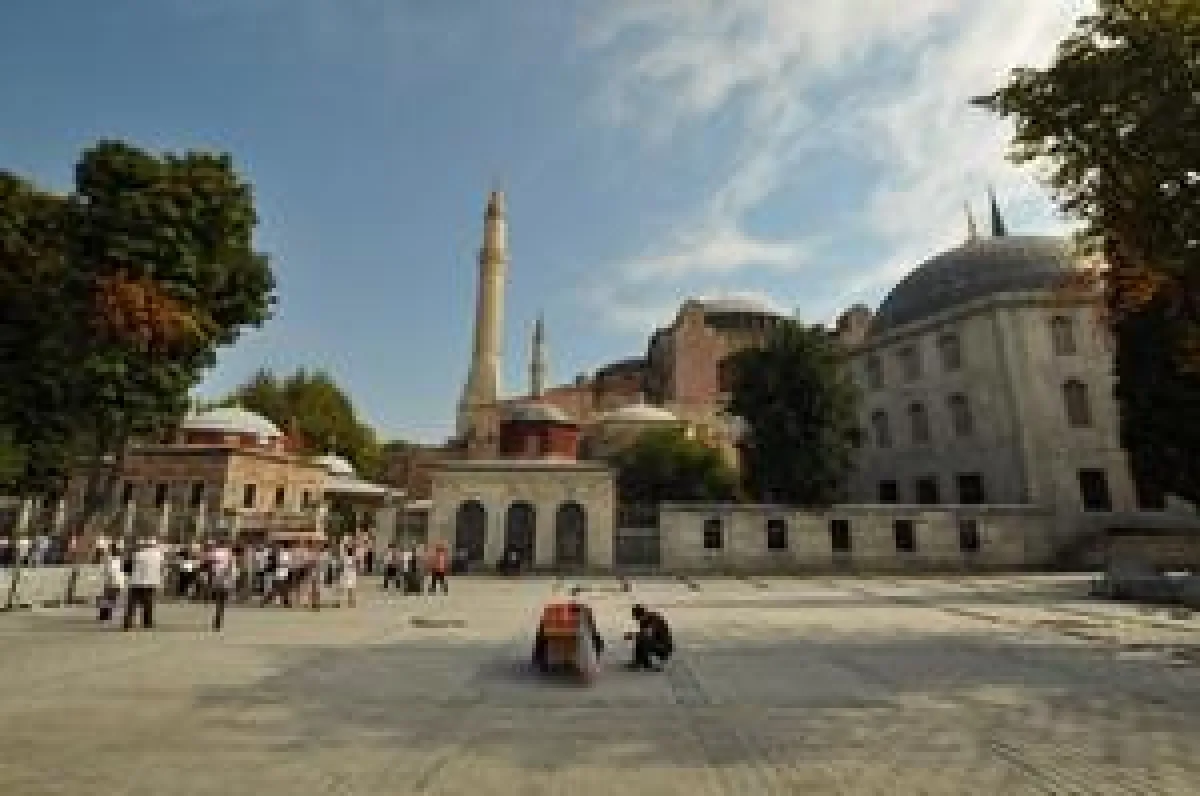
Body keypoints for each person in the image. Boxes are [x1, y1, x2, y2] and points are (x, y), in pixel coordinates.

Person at [123, 537, 164, 631]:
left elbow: (127, 568)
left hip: (136, 581)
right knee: (148, 603)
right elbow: (161, 568)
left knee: (132, 603)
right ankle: (147, 622)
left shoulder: (137, 555)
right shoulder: (159, 556)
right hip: (151, 581)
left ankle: (128, 623)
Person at [625, 604, 673, 671]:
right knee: (641, 640)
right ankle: (643, 661)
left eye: (636, 616)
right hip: (659, 643)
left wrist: (632, 636)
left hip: (663, 646)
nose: (636, 619)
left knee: (643, 640)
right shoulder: (646, 620)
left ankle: (643, 662)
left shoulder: (651, 619)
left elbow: (647, 635)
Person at [209, 539, 236, 632]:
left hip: (219, 578)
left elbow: (210, 564)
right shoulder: (228, 552)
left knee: (219, 601)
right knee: (221, 602)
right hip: (224, 578)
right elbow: (230, 565)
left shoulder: (215, 552)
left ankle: (217, 622)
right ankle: (217, 622)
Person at [98, 545, 125, 622]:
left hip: (111, 581)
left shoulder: (109, 559)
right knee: (111, 598)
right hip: (116, 581)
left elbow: (106, 571)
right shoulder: (117, 560)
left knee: (108, 598)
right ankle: (106, 614)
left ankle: (105, 614)